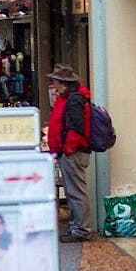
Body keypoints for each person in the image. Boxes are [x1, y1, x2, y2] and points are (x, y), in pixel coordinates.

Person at [47, 63, 92, 242]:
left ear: (62, 82)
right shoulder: (70, 97)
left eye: (55, 80)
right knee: (73, 191)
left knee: (75, 192)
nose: (53, 83)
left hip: (73, 152)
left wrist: (68, 149)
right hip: (70, 151)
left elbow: (75, 128)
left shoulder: (73, 100)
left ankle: (81, 229)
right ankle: (76, 227)